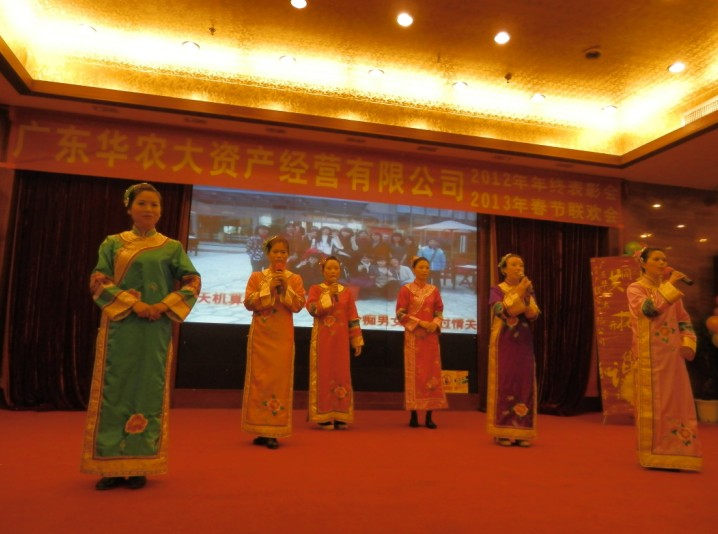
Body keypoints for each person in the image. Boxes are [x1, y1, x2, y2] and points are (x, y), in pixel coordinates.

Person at [81, 182, 201, 491]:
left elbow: (192, 281)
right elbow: (98, 280)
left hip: (154, 329)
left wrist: (162, 305)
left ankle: (140, 464)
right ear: (129, 207)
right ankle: (109, 464)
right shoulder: (113, 243)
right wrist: (134, 304)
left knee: (149, 388)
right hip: (120, 326)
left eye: (154, 205)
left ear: (161, 211)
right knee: (114, 388)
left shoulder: (171, 246)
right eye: (142, 203)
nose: (148, 209)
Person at [626, 247, 701, 471]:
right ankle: (655, 453)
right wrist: (671, 285)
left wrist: (688, 343)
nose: (662, 263)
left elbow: (683, 320)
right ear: (643, 263)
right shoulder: (635, 289)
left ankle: (679, 452)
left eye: (664, 259)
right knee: (657, 403)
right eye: (656, 259)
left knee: (678, 401)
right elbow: (649, 310)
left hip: (673, 356)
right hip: (650, 356)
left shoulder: (671, 291)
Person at [242, 235, 306, 450]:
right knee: (259, 379)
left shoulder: (295, 279)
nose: (279, 255)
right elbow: (249, 303)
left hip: (282, 336)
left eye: (283, 252)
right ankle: (259, 428)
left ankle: (273, 430)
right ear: (268, 254)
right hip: (261, 336)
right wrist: (268, 289)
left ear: (288, 255)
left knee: (279, 379)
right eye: (275, 251)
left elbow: (298, 305)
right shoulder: (256, 277)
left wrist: (285, 289)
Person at [487, 253, 540, 447]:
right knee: (505, 382)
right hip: (504, 341)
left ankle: (522, 431)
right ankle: (501, 430)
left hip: (524, 341)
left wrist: (525, 295)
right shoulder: (497, 289)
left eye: (521, 264)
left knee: (524, 382)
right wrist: (519, 293)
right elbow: (501, 311)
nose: (519, 268)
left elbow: (533, 315)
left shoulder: (527, 289)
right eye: (514, 264)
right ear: (503, 269)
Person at [306, 256, 364, 430]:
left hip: (341, 341)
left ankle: (340, 414)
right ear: (322, 270)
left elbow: (352, 317)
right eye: (329, 268)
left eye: (336, 268)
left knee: (341, 374)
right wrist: (328, 296)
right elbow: (312, 309)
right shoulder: (316, 289)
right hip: (322, 340)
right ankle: (323, 415)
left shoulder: (346, 292)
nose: (333, 271)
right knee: (323, 374)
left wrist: (356, 339)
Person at [396, 256, 448, 429]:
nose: (425, 270)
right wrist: (419, 323)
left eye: (427, 267)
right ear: (414, 269)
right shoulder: (406, 290)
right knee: (415, 374)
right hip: (414, 337)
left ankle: (429, 416)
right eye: (421, 267)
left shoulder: (434, 290)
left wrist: (435, 323)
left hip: (431, 337)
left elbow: (439, 311)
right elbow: (400, 313)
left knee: (431, 373)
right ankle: (413, 414)